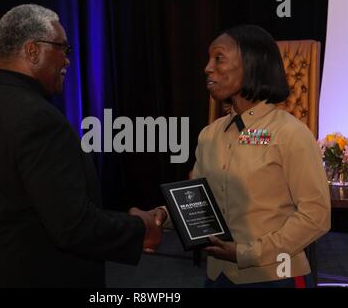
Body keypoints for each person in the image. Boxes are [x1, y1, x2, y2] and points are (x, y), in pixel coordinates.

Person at [0, 4, 161, 288]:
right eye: (62, 48)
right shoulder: (38, 119)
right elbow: (73, 228)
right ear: (33, 51)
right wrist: (140, 229)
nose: (67, 61)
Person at [140, 25, 331, 288]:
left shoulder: (291, 134)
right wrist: (160, 215)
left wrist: (248, 253)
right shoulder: (210, 134)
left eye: (218, 59)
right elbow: (198, 204)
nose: (207, 68)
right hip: (219, 277)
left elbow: (316, 216)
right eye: (208, 60)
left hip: (277, 278)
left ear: (251, 65)